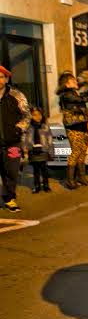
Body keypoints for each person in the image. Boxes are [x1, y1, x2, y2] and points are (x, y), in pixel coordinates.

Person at [57, 71, 88, 189]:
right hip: (74, 128)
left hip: (82, 126)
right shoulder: (66, 94)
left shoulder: (74, 92)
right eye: (73, 80)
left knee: (82, 152)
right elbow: (84, 99)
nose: (75, 81)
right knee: (75, 152)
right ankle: (70, 181)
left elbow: (83, 95)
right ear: (67, 84)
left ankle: (81, 177)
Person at [0, 65, 30, 212]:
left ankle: (10, 198)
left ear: (6, 79)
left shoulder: (17, 95)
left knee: (12, 171)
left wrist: (18, 129)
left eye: (1, 77)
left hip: (13, 143)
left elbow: (27, 115)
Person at [22, 107, 54, 193]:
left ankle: (46, 185)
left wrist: (50, 150)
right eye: (34, 115)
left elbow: (50, 137)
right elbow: (25, 138)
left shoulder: (45, 125)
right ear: (31, 116)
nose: (37, 117)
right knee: (36, 170)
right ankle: (37, 186)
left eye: (39, 114)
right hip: (33, 150)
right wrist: (25, 148)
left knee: (44, 169)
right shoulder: (29, 126)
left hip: (43, 150)